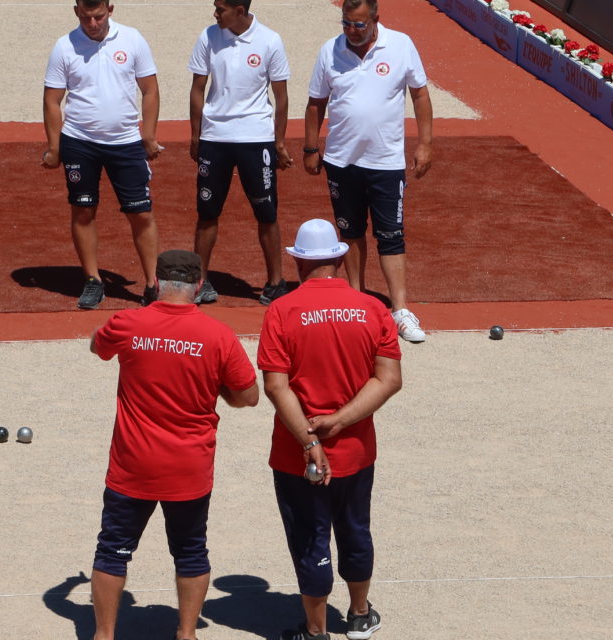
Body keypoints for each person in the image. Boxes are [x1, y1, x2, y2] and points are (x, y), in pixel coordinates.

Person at [89, 249, 259, 640]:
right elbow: (248, 396)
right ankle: (186, 634)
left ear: (156, 283)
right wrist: (219, 390)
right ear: (199, 285)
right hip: (189, 468)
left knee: (112, 550)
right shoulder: (218, 336)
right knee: (191, 551)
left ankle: (104, 635)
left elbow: (99, 346)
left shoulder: (127, 323)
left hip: (132, 466)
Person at [257, 219, 403, 640]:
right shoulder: (373, 308)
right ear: (340, 259)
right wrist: (339, 421)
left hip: (296, 454)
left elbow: (275, 385)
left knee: (309, 537)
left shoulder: (282, 310)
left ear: (300, 262)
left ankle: (316, 630)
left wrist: (309, 439)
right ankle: (358, 615)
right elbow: (389, 379)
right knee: (356, 529)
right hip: (356, 451)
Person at [302, 0, 434, 342]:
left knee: (391, 235)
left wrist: (424, 144)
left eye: (359, 24)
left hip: (386, 162)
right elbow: (316, 102)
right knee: (351, 232)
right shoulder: (329, 51)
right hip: (342, 161)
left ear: (376, 19)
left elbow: (419, 94)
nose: (351, 30)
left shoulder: (401, 45)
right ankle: (356, 301)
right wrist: (311, 147)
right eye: (346, 23)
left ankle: (400, 310)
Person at [43, 0, 164, 309]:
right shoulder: (64, 47)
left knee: (141, 212)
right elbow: (53, 100)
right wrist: (55, 147)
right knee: (83, 211)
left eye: (98, 16)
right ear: (76, 12)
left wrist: (148, 135)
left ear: (111, 9)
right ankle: (93, 280)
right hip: (79, 142)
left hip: (125, 143)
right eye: (86, 17)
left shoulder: (133, 39)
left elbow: (150, 90)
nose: (92, 23)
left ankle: (152, 283)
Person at [188, 0, 293, 306]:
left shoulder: (270, 40)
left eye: (220, 8)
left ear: (239, 9)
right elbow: (197, 88)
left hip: (256, 139)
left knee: (266, 211)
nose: (215, 13)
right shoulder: (208, 37)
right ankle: (200, 280)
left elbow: (281, 96)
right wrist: (196, 134)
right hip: (215, 138)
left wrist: (279, 141)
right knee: (207, 212)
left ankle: (276, 282)